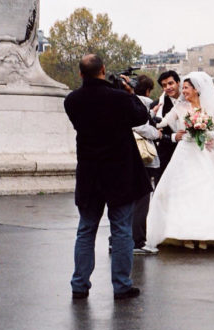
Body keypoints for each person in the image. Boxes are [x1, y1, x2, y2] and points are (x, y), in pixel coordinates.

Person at [63, 54, 151, 300]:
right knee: (122, 229)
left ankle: (79, 284)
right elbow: (142, 116)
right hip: (119, 173)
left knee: (86, 229)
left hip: (90, 174)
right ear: (103, 69)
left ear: (81, 74)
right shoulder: (120, 99)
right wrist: (129, 92)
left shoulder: (72, 101)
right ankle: (121, 285)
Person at [145, 72, 214, 251]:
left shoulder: (209, 108)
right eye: (184, 88)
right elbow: (162, 123)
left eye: (186, 88)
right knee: (181, 194)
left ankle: (206, 235)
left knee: (205, 193)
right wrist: (151, 114)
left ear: (196, 89)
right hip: (184, 153)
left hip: (203, 154)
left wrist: (203, 132)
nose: (183, 91)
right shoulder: (179, 107)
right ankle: (182, 235)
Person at [130, 74, 160, 254]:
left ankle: (117, 239)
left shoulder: (125, 100)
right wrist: (157, 133)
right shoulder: (145, 103)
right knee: (142, 200)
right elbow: (139, 125)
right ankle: (138, 241)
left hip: (126, 155)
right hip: (143, 157)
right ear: (149, 90)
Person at [151, 70, 182, 186]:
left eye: (171, 83)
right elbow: (152, 132)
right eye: (164, 85)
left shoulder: (190, 100)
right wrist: (173, 137)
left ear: (178, 83)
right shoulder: (157, 106)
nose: (168, 87)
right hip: (166, 155)